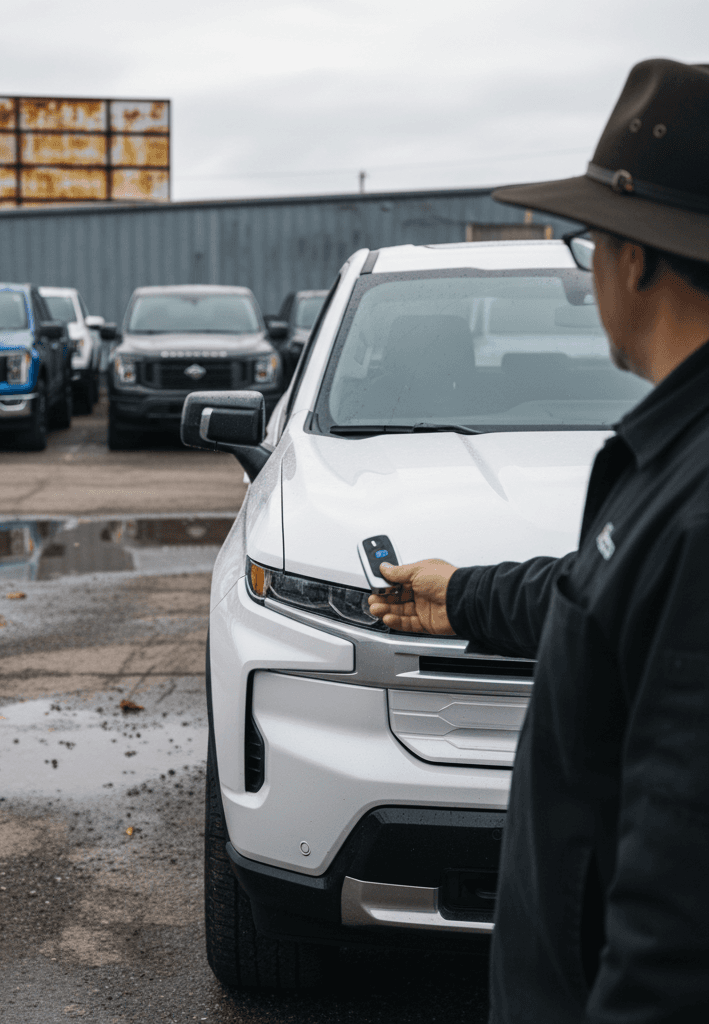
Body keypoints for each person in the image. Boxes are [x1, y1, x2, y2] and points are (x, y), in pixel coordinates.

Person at [367, 59, 709, 1022]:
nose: (591, 266)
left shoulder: (698, 501)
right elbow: (604, 595)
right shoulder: (678, 456)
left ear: (635, 257)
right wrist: (459, 593)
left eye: (593, 238)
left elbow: (680, 911)